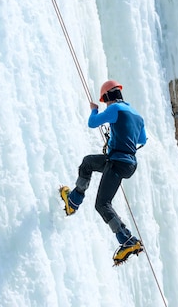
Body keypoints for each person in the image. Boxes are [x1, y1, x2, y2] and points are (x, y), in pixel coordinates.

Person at [60, 80, 147, 265]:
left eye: (105, 101)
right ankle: (73, 200)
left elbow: (93, 123)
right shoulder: (138, 117)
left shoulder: (115, 109)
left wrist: (94, 109)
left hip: (117, 162)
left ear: (108, 97)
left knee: (102, 204)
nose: (106, 104)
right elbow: (142, 139)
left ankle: (127, 240)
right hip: (128, 163)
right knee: (88, 163)